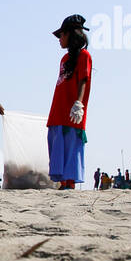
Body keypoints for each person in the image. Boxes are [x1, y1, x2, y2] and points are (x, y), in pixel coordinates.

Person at [46, 14, 92, 190]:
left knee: (71, 145)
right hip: (58, 111)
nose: (59, 40)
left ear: (71, 35)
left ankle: (70, 183)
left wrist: (79, 103)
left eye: (62, 35)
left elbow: (83, 79)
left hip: (72, 112)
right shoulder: (64, 59)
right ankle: (62, 182)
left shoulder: (84, 56)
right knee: (56, 144)